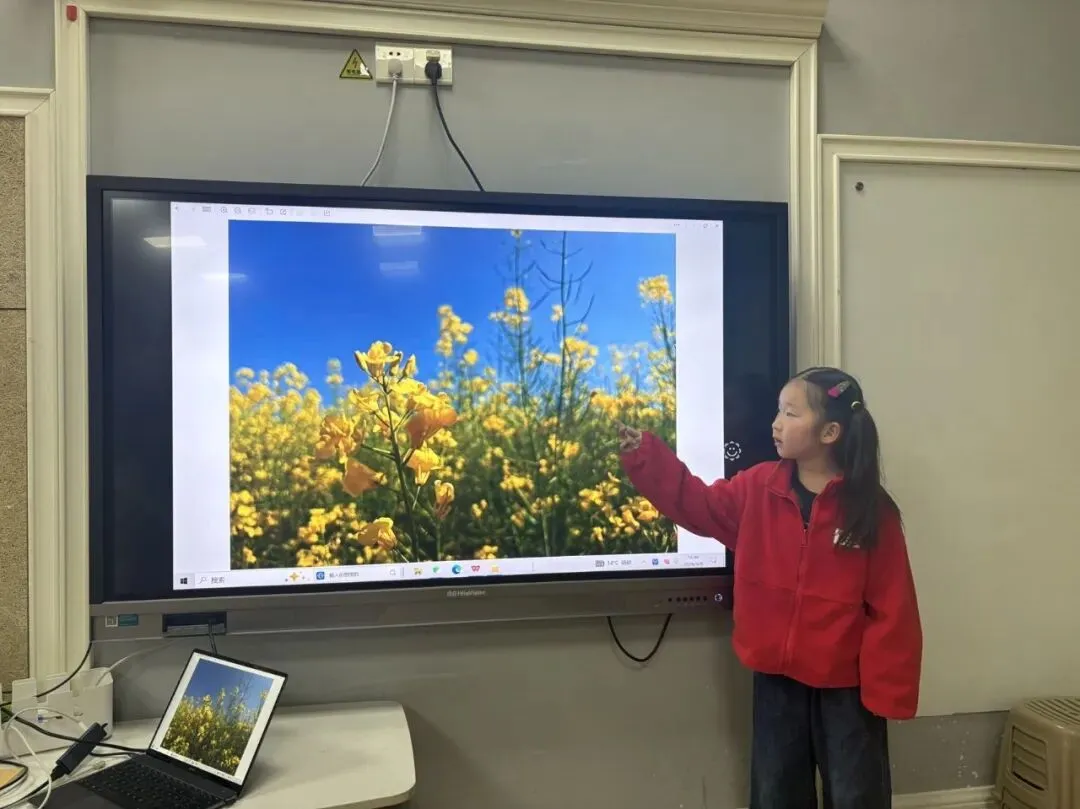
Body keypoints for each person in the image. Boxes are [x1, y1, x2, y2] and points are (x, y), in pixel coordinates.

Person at [618, 367, 922, 809]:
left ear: (830, 432)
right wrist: (647, 457)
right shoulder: (757, 487)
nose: (776, 424)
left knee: (857, 793)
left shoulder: (871, 510)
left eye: (791, 414)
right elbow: (698, 504)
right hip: (777, 680)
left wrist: (888, 693)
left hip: (848, 688)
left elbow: (894, 607)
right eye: (778, 411)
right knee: (776, 792)